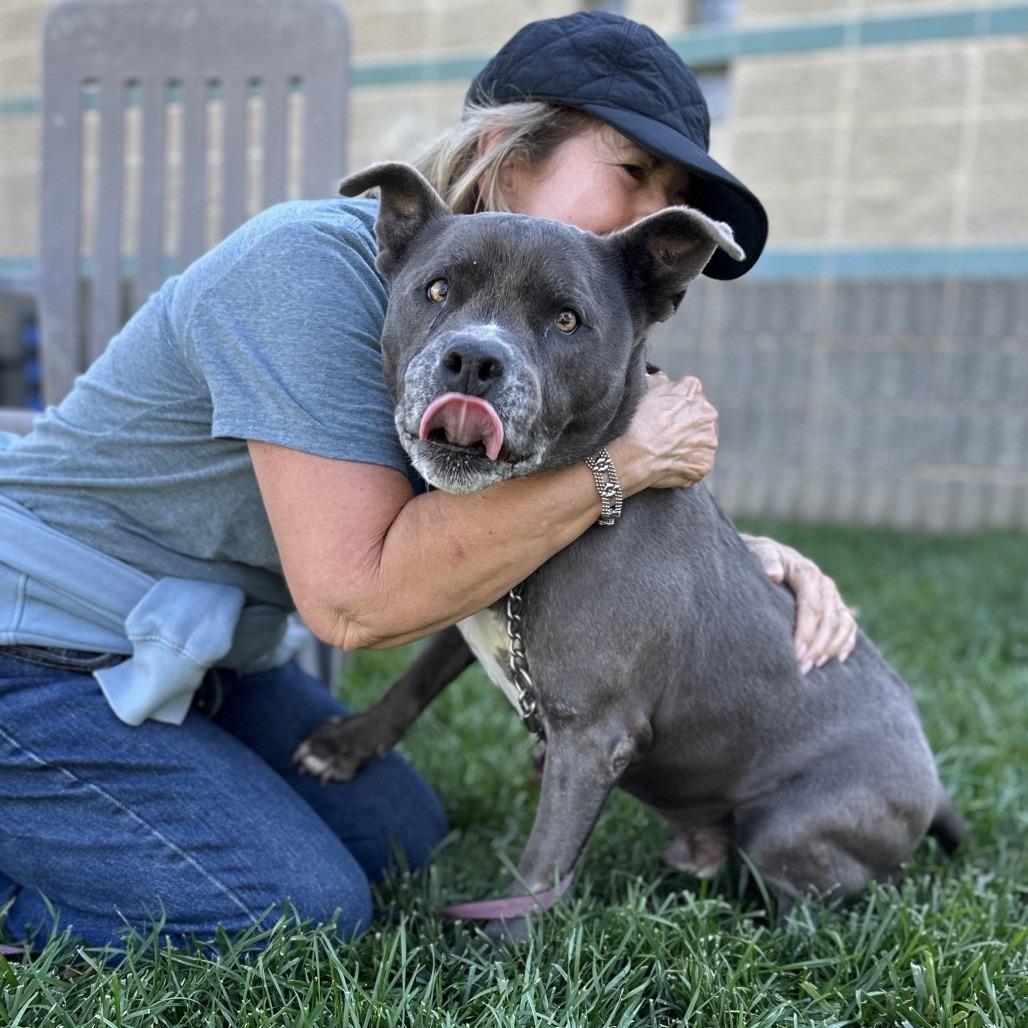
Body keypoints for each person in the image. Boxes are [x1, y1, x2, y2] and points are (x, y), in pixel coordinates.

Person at [0, 10, 856, 949]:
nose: (646, 214)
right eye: (630, 172)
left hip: (204, 651)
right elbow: (357, 607)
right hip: (37, 643)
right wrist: (625, 464)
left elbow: (570, 518)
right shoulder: (306, 272)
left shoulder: (548, 334)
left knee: (402, 837)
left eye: (671, 192)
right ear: (501, 152)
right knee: (291, 912)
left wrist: (745, 561)